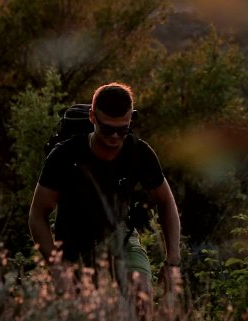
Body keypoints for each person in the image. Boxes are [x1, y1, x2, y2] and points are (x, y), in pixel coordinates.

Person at [28, 82, 181, 320]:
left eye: (123, 129)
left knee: (141, 296)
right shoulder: (65, 156)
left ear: (131, 119)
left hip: (120, 236)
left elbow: (166, 202)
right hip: (73, 245)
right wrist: (58, 269)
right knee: (82, 311)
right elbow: (37, 215)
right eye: (107, 128)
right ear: (92, 117)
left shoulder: (138, 152)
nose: (114, 137)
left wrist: (172, 260)